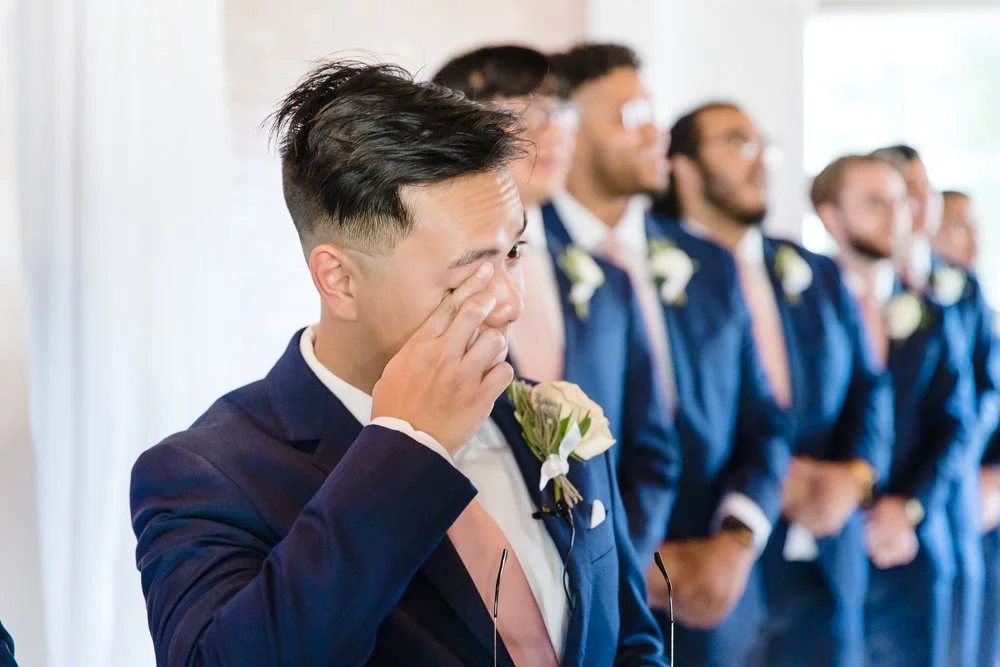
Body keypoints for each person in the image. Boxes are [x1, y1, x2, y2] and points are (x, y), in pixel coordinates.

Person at [130, 59, 668, 667]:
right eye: (471, 271)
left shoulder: (547, 416)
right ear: (339, 280)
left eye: (514, 251)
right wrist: (406, 449)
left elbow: (631, 640)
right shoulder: (207, 475)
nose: (510, 302)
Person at [550, 43, 791, 666]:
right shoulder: (523, 260)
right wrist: (632, 562)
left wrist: (737, 539)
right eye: (630, 115)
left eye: (651, 111)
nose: (656, 130)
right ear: (569, 131)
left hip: (721, 598)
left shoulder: (708, 264)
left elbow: (766, 421)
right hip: (585, 605)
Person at [659, 102, 893, 667]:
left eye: (763, 144)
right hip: (714, 555)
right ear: (682, 166)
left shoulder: (816, 271)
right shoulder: (650, 271)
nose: (759, 160)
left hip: (824, 557)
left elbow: (871, 389)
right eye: (737, 143)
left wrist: (855, 476)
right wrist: (765, 481)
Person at [432, 45, 682, 568]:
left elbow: (650, 445)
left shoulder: (608, 280)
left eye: (558, 112)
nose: (547, 132)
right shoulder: (432, 284)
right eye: (513, 113)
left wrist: (616, 565)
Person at [812, 154, 975, 667]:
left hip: (911, 546)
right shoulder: (804, 304)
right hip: (818, 553)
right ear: (830, 216)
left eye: (900, 203)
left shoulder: (930, 310)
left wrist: (908, 506)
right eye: (875, 203)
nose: (894, 215)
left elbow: (958, 421)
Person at [874, 146, 999, 667]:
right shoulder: (856, 284)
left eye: (923, 188)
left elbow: (978, 397)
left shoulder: (954, 290)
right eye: (906, 189)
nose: (919, 200)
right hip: (873, 512)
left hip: (949, 497)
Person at [934, 191, 979, 271]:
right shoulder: (917, 279)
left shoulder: (972, 280)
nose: (973, 239)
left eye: (975, 228)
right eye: (960, 226)